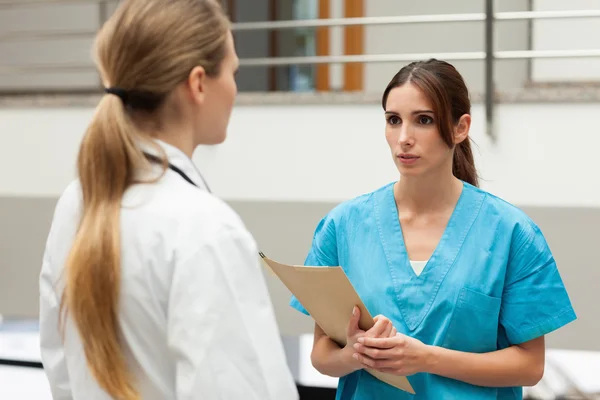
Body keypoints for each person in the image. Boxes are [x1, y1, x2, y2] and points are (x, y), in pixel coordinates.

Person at [38, 1, 298, 399]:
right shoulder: (204, 228)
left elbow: (61, 370)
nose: (234, 88)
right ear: (198, 83)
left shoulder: (77, 201)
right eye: (232, 72)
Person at [289, 59, 576, 399]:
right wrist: (354, 353)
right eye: (393, 120)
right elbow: (322, 357)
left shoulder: (511, 234)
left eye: (423, 120)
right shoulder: (342, 227)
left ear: (460, 128)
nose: (404, 138)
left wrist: (425, 358)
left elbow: (530, 366)